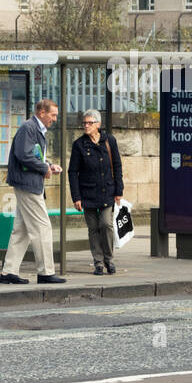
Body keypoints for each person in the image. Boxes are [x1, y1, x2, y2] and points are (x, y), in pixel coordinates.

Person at [0, 98, 66, 285]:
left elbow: (34, 155)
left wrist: (49, 165)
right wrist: (44, 168)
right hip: (27, 184)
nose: (54, 119)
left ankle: (8, 272)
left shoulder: (34, 129)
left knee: (21, 230)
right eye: (52, 115)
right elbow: (24, 155)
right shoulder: (28, 128)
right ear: (42, 112)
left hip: (29, 182)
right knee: (42, 227)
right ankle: (45, 272)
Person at [68, 109, 123, 275]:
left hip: (107, 190)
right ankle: (98, 262)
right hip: (88, 193)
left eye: (90, 123)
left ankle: (109, 259)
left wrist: (119, 190)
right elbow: (72, 172)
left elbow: (117, 165)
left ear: (98, 125)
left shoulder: (109, 141)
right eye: (84, 123)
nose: (86, 126)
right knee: (93, 228)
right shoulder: (79, 145)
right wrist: (76, 196)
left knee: (106, 224)